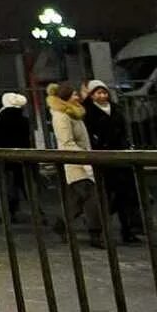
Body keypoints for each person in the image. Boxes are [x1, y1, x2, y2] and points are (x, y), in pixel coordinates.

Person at [82, 80, 144, 244]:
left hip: (120, 156)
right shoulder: (87, 112)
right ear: (92, 95)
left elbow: (123, 130)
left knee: (124, 195)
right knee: (105, 195)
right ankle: (101, 230)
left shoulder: (116, 109)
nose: (102, 95)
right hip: (102, 158)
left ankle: (128, 229)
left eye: (104, 92)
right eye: (98, 93)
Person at [47, 82, 104, 246]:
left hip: (82, 161)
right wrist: (84, 159)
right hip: (75, 163)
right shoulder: (62, 116)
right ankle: (96, 234)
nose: (77, 97)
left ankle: (61, 224)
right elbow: (66, 142)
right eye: (74, 95)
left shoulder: (74, 113)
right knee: (91, 198)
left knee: (77, 201)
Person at [0, 91, 35, 217]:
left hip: (3, 159)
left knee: (6, 186)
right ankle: (36, 210)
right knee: (25, 185)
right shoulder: (23, 120)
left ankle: (8, 212)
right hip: (22, 157)